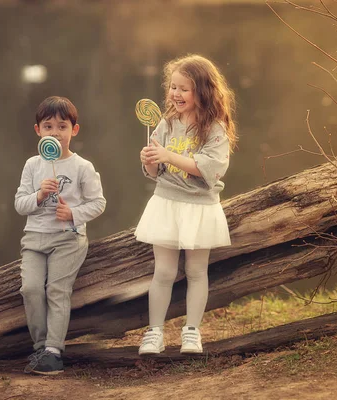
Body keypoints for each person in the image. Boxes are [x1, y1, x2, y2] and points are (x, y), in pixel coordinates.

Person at [135, 54, 237, 355]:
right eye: (173, 88)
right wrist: (151, 161)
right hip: (167, 202)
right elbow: (156, 174)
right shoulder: (165, 125)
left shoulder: (214, 128)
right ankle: (155, 332)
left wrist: (168, 156)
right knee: (164, 272)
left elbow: (210, 167)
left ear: (202, 92)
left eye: (184, 89)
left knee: (196, 271)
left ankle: (191, 332)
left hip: (199, 206)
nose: (176, 94)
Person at [15, 96, 106, 374]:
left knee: (57, 290)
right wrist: (40, 195)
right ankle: (40, 347)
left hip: (68, 238)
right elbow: (20, 204)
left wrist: (74, 214)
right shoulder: (32, 165)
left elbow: (98, 202)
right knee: (30, 288)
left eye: (62, 127)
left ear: (74, 131)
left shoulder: (82, 167)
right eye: (48, 126)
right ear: (38, 131)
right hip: (34, 239)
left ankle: (54, 350)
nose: (55, 133)